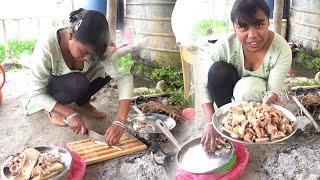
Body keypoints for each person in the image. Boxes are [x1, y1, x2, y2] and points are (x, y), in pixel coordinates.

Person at [23, 8, 133, 146]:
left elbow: (124, 76)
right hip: (51, 88)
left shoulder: (100, 44)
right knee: (76, 83)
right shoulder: (47, 47)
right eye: (83, 51)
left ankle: (82, 103)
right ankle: (53, 110)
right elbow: (36, 94)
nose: (87, 58)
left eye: (92, 54)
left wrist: (120, 120)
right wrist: (69, 113)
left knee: (111, 68)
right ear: (70, 34)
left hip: (77, 81)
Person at [198, 0, 292, 152]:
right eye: (243, 27)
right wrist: (210, 123)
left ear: (268, 22)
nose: (252, 35)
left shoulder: (281, 49)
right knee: (217, 71)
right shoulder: (226, 45)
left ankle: (248, 129)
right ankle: (230, 121)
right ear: (234, 27)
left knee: (248, 88)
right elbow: (202, 84)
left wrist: (271, 101)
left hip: (258, 97)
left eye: (259, 25)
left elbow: (272, 90)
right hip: (229, 96)